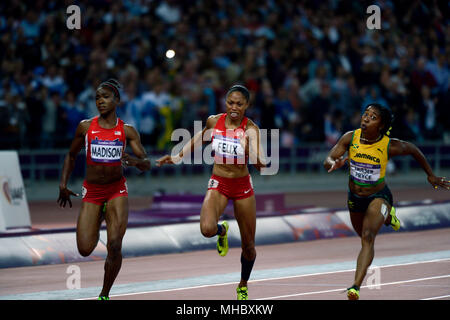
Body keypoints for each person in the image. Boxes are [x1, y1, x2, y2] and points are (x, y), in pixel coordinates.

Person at [323, 103, 450, 300]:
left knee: (367, 237)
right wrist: (335, 163)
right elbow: (328, 159)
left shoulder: (389, 145)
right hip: (355, 198)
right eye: (365, 114)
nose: (366, 118)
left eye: (373, 117)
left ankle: (355, 286)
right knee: (363, 237)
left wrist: (430, 175)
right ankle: (389, 216)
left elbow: (414, 150)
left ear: (381, 126)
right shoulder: (350, 137)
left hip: (378, 196)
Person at [156, 84, 267, 300]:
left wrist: (250, 151)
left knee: (249, 247)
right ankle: (221, 231)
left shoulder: (251, 129)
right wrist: (178, 156)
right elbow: (201, 138)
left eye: (239, 104)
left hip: (242, 186)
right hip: (219, 182)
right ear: (225, 103)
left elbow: (261, 162)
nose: (234, 107)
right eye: (230, 103)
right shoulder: (214, 121)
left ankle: (243, 284)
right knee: (207, 229)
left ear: (247, 106)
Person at [57, 79, 151, 300]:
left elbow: (146, 162)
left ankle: (104, 294)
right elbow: (71, 155)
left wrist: (135, 161)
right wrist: (63, 184)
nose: (100, 101)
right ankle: (99, 216)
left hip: (116, 190)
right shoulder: (86, 127)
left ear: (116, 100)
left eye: (105, 97)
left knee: (115, 245)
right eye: (97, 97)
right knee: (85, 249)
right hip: (92, 191)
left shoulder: (127, 131)